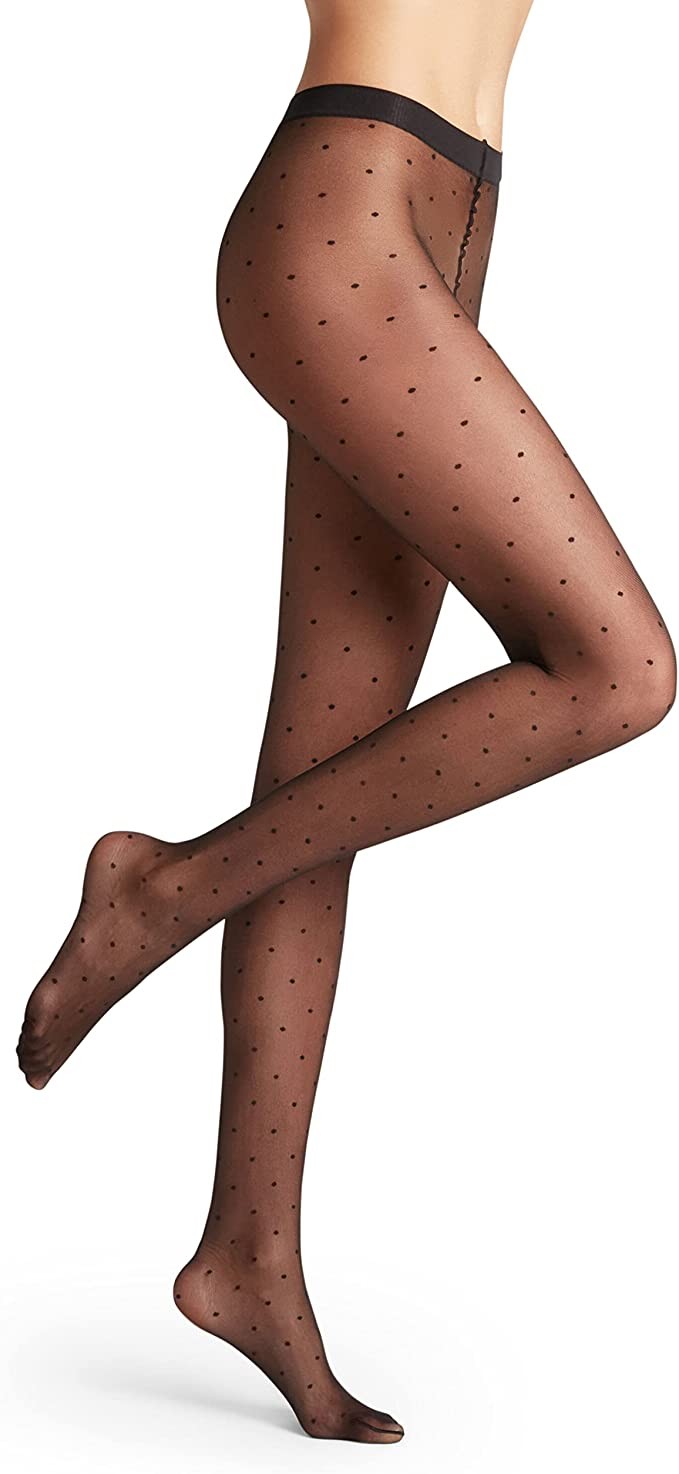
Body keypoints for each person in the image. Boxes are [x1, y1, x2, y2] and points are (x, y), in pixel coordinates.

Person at [17, 0, 676, 1446]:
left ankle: (247, 1252)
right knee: (619, 669)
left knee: (321, 784)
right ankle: (159, 891)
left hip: (445, 223)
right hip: (347, 215)